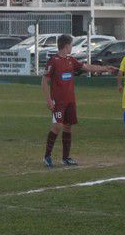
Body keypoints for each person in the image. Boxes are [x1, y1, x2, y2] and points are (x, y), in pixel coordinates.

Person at [42, 34, 117, 167]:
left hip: (70, 100)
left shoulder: (71, 60)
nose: (72, 47)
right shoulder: (53, 61)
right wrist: (48, 100)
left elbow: (86, 67)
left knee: (68, 126)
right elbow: (44, 81)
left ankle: (66, 158)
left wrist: (105, 68)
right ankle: (47, 156)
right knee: (57, 126)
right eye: (71, 45)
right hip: (58, 101)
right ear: (66, 46)